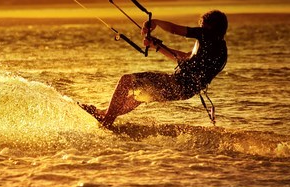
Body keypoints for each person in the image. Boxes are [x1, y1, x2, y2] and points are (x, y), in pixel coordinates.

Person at [80, 10, 228, 128]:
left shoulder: (206, 34)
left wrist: (155, 22)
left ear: (210, 26)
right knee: (140, 95)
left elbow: (175, 30)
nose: (200, 28)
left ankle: (107, 120)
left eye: (202, 25)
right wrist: (155, 45)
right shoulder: (221, 50)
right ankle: (104, 114)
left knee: (126, 80)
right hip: (185, 91)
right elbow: (184, 57)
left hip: (176, 84)